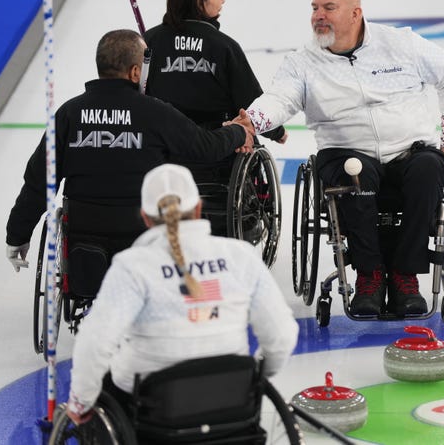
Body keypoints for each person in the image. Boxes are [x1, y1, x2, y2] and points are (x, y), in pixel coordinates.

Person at [242, 0, 444, 317]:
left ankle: (405, 276)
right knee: (355, 176)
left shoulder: (400, 44)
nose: (319, 15)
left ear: (356, 13)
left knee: (430, 169)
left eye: (329, 8)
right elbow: (279, 99)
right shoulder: (302, 62)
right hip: (346, 152)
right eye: (315, 8)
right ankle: (370, 276)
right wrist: (252, 121)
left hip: (409, 150)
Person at [5, 29, 254, 297]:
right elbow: (205, 147)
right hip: (143, 238)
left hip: (84, 235)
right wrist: (238, 131)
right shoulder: (156, 112)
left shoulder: (68, 114)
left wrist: (17, 234)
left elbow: (39, 182)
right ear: (136, 72)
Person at [64, 163, 299, 424]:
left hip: (153, 408)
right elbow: (282, 336)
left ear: (144, 217)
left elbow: (95, 342)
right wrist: (256, 377)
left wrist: (80, 401)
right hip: (232, 399)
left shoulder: (132, 266)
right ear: (198, 208)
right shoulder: (241, 255)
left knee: (108, 385)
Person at [143, 0, 287, 236]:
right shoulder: (222, 45)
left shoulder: (149, 42)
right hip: (216, 142)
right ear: (200, 2)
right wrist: (275, 130)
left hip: (162, 142)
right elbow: (249, 100)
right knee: (245, 139)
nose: (223, 0)